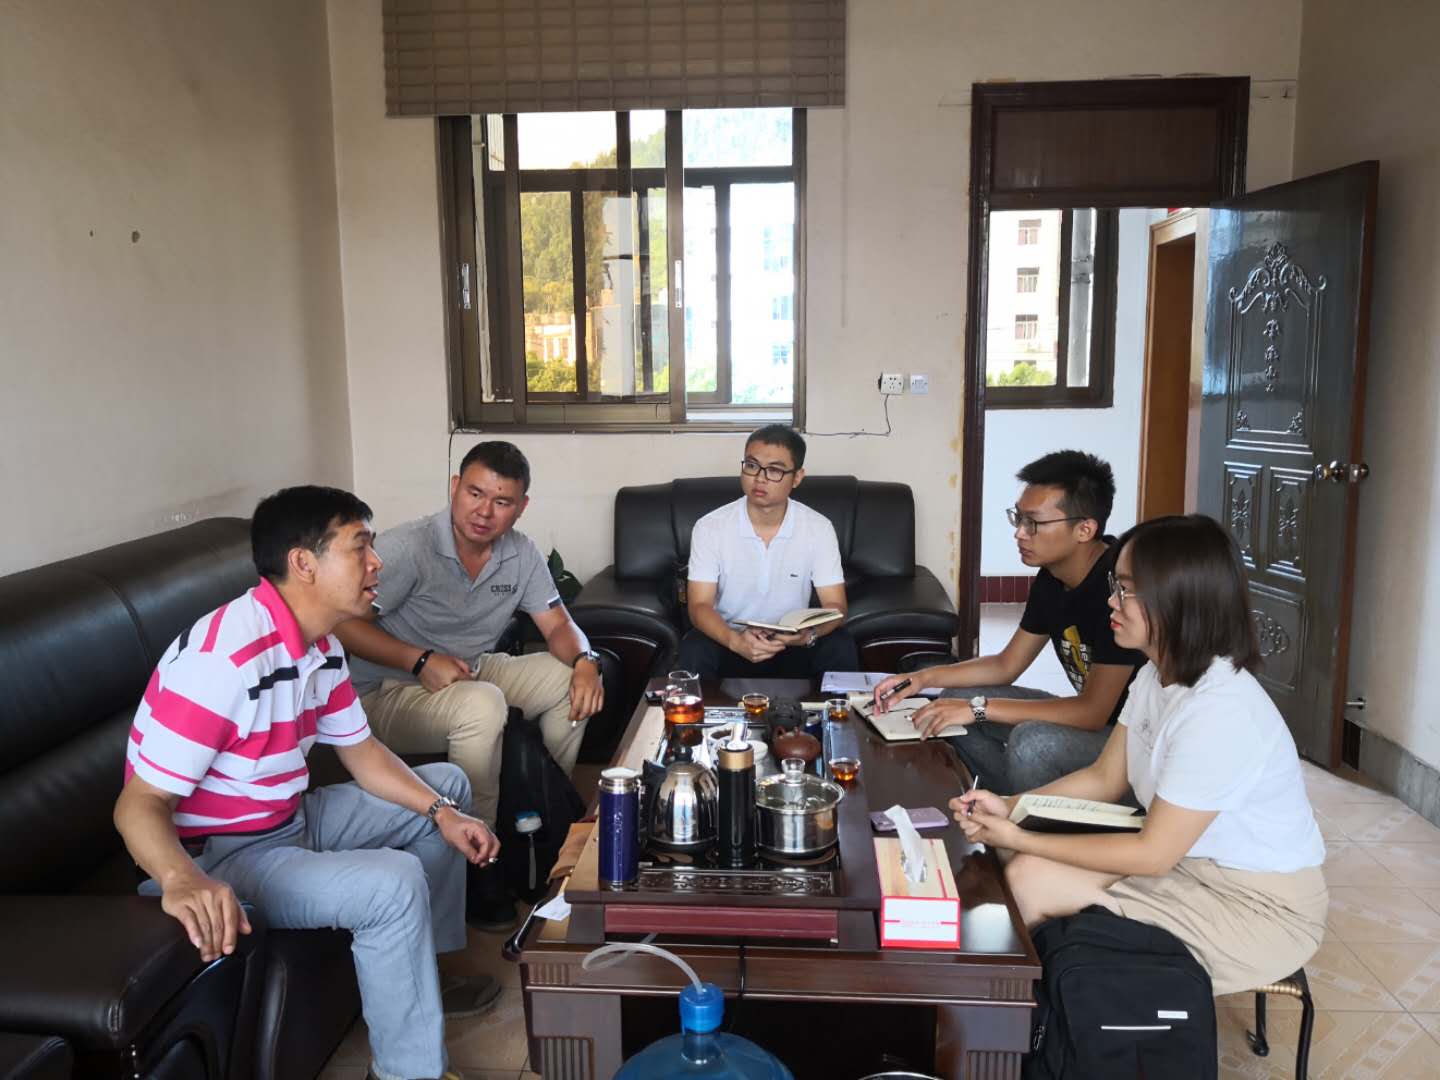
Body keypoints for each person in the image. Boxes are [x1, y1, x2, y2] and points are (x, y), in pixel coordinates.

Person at [114, 486, 499, 1080]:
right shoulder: (223, 661)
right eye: (360, 547)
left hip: (288, 817)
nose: (377, 563)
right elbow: (139, 803)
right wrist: (181, 880)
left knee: (447, 788)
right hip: (225, 855)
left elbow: (363, 753)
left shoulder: (321, 643)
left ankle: (425, 975)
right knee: (393, 884)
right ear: (303, 563)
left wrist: (443, 812)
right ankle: (407, 1073)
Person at [954, 514, 1328, 997]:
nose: (1112, 601)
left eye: (1127, 590)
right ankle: (1028, 1008)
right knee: (1010, 854)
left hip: (1257, 907)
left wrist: (1022, 836)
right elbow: (1105, 778)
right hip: (1188, 865)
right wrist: (1009, 807)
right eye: (1116, 585)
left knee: (1030, 877)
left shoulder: (1219, 710)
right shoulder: (1158, 672)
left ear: (1179, 599)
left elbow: (1152, 853)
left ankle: (1035, 1023)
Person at [336, 440, 603, 930]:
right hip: (386, 691)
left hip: (471, 670)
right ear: (455, 487)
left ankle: (542, 823)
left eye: (502, 501)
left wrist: (586, 660)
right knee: (483, 705)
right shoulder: (407, 547)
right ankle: (480, 858)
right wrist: (418, 659)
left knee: (566, 679)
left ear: (521, 507)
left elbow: (558, 625)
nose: (484, 512)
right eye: (475, 494)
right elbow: (344, 624)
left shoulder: (519, 553)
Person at [873, 450, 1144, 794]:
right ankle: (1006, 802)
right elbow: (1006, 665)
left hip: (1131, 744)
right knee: (954, 699)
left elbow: (1093, 712)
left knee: (1032, 744)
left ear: (1084, 529)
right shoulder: (1052, 577)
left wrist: (979, 709)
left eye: (1034, 523)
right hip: (1094, 725)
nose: (1020, 533)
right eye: (1019, 518)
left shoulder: (1119, 590)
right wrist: (922, 679)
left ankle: (1027, 818)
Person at [676, 424, 860, 678]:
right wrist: (735, 641)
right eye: (752, 466)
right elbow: (699, 605)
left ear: (797, 477)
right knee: (695, 647)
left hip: (793, 644)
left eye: (774, 470)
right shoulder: (710, 527)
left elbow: (836, 606)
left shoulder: (818, 528)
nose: (760, 478)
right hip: (731, 641)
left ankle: (838, 707)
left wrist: (809, 635)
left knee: (839, 644)